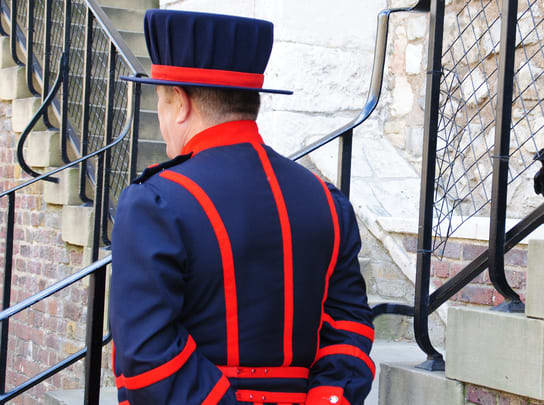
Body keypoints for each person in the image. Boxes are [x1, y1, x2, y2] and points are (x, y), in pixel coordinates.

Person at [109, 9, 374, 405]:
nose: (162, 120)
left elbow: (149, 358)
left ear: (180, 103)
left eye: (160, 104)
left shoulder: (155, 203)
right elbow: (348, 330)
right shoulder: (326, 201)